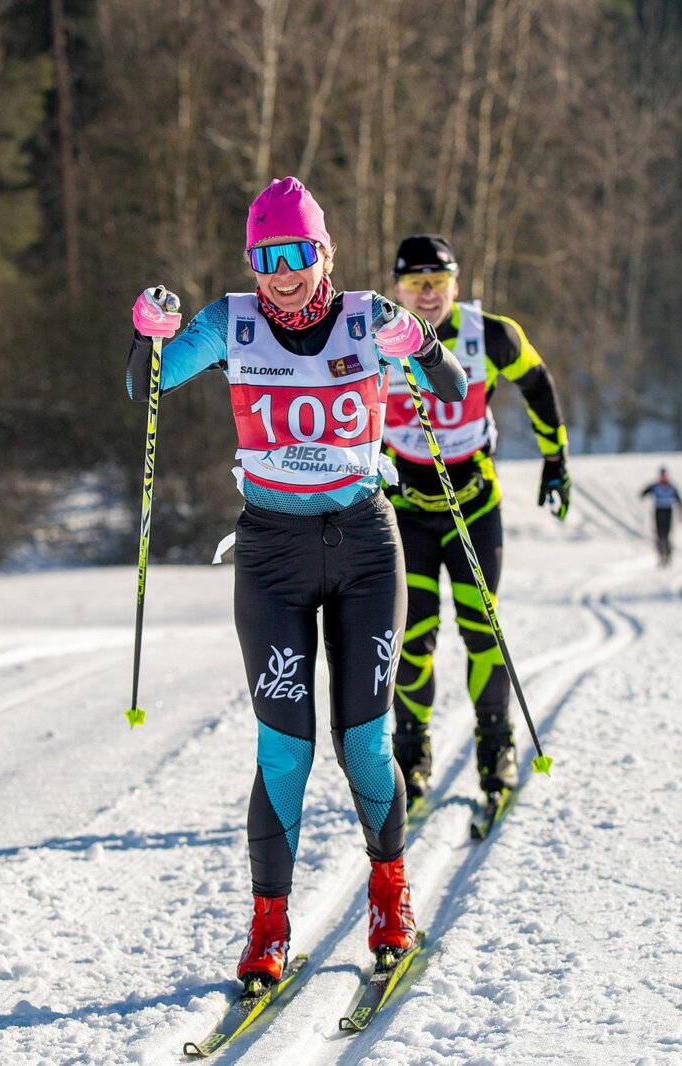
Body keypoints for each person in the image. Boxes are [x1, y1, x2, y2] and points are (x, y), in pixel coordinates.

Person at [125, 178, 468, 991]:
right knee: (284, 750)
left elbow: (451, 389)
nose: (283, 274)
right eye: (267, 257)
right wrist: (147, 334)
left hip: (366, 550)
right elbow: (147, 387)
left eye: (298, 255)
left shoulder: (367, 317)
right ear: (252, 261)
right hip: (272, 557)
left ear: (326, 254)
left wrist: (419, 341)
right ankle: (268, 925)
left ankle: (390, 896)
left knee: (364, 744)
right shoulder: (230, 323)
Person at [382, 234, 570, 807]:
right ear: (398, 290)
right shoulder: (373, 336)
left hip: (473, 504)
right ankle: (410, 757)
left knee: (482, 628)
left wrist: (555, 460)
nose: (428, 294)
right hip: (408, 510)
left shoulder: (491, 334)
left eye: (437, 282)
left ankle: (496, 749)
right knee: (411, 637)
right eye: (415, 283)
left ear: (456, 285)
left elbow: (537, 383)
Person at [640, 466, 682, 566]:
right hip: (658, 510)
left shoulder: (671, 487)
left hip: (668, 511)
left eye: (664, 476)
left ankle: (668, 555)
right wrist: (644, 493)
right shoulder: (655, 486)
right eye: (661, 476)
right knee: (659, 534)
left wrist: (681, 509)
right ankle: (660, 556)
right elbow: (645, 492)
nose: (663, 477)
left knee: (666, 534)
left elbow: (678, 499)